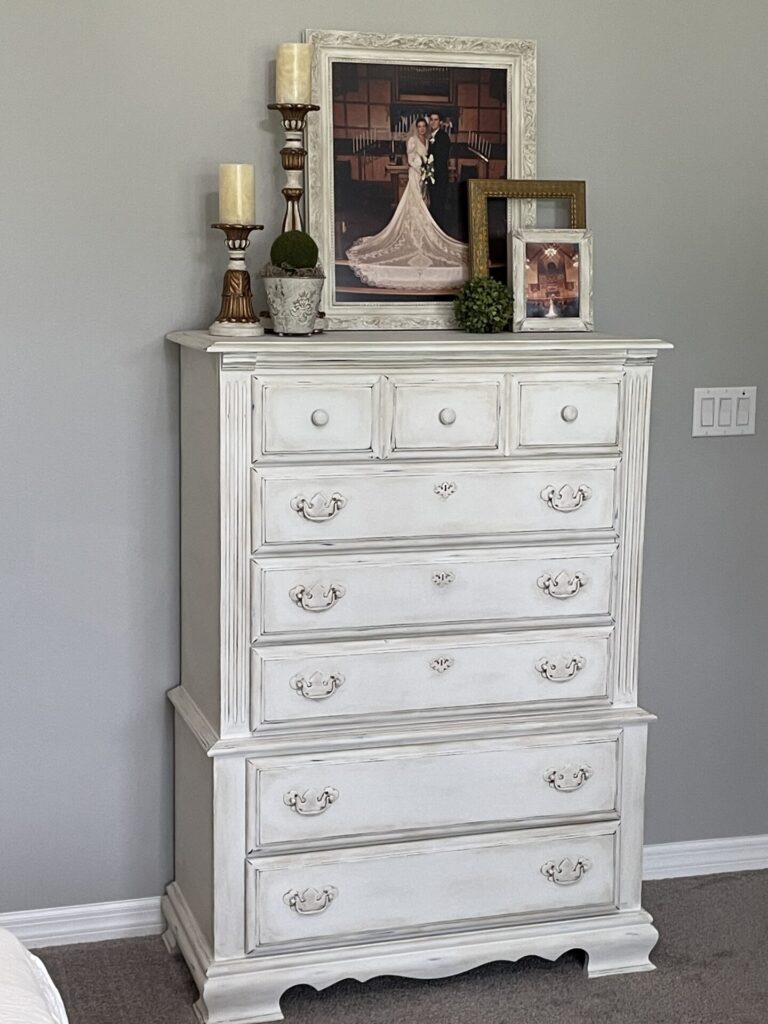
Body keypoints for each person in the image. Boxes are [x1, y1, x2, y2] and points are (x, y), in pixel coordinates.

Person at [346, 117, 467, 291]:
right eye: (419, 126)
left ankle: (421, 228)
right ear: (415, 128)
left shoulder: (427, 140)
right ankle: (414, 228)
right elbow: (411, 158)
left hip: (424, 177)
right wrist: (423, 165)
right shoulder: (412, 140)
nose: (422, 129)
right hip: (416, 174)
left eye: (424, 126)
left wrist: (427, 168)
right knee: (415, 202)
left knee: (424, 203)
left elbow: (431, 156)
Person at [427, 111, 450, 232]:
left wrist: (430, 159)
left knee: (439, 204)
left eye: (436, 120)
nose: (433, 122)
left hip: (440, 175)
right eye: (431, 119)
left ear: (440, 122)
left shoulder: (443, 136)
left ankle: (439, 231)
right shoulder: (430, 136)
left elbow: (442, 157)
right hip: (432, 176)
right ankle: (434, 230)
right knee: (434, 203)